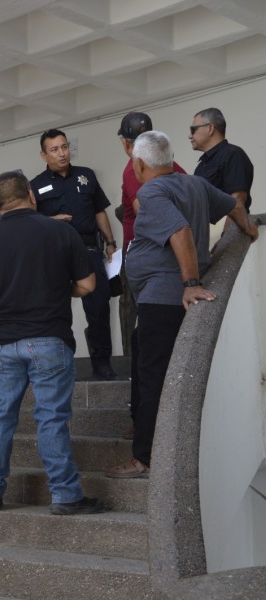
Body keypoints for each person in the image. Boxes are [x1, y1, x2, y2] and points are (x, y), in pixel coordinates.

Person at [105, 131, 258, 479]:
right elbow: (234, 204)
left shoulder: (153, 191)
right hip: (156, 299)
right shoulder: (194, 184)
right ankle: (142, 439)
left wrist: (190, 284)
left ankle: (143, 456)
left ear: (139, 164)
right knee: (144, 364)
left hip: (163, 297)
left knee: (152, 376)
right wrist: (247, 227)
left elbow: (180, 233)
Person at [0, 171, 104, 516]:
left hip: (0, 345)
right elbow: (88, 284)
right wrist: (60, 289)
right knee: (50, 418)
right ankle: (63, 495)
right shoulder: (61, 231)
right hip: (48, 339)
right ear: (30, 195)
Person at [118, 112, 187, 439]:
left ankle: (143, 424)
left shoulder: (136, 168)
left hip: (155, 269)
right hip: (173, 266)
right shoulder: (180, 172)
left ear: (127, 144)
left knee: (143, 343)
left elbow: (149, 209)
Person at [31, 129, 118, 381]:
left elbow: (100, 211)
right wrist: (51, 220)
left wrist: (111, 243)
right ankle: (59, 366)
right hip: (55, 254)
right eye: (55, 149)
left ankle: (102, 364)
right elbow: (31, 221)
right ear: (43, 154)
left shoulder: (86, 175)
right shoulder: (35, 186)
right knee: (57, 311)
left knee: (99, 306)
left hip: (88, 249)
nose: (62, 153)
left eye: (64, 147)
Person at [189, 107, 254, 213]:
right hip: (207, 227)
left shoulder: (233, 154)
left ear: (210, 128)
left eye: (193, 130)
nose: (189, 136)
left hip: (227, 227)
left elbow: (238, 199)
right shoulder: (201, 165)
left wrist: (220, 228)